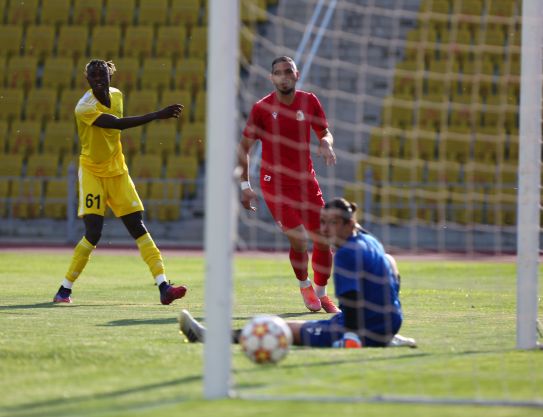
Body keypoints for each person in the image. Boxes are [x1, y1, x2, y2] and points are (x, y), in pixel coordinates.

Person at [178, 197, 417, 348]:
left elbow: (352, 314)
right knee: (388, 259)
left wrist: (350, 336)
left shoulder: (345, 254)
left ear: (349, 224)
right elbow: (389, 265)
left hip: (363, 329)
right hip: (391, 320)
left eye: (332, 223)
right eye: (323, 221)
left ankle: (209, 338)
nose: (324, 228)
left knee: (280, 328)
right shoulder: (369, 240)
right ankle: (384, 336)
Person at [53, 59, 187, 305]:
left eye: (102, 73)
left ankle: (164, 286)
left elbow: (113, 134)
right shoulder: (83, 107)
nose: (98, 78)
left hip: (118, 171)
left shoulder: (117, 96)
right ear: (87, 80)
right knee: (93, 233)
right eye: (93, 76)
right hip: (92, 172)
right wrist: (157, 114)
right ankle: (64, 289)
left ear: (110, 74)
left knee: (138, 226)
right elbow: (115, 125)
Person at [237, 55, 339, 313]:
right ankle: (304, 284)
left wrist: (326, 142)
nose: (283, 76)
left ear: (296, 75)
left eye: (287, 71)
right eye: (278, 72)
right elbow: (244, 148)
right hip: (275, 185)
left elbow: (324, 131)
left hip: (306, 182)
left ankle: (322, 294)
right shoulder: (262, 109)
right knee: (299, 240)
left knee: (323, 239)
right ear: (272, 78)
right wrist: (244, 186)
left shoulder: (309, 101)